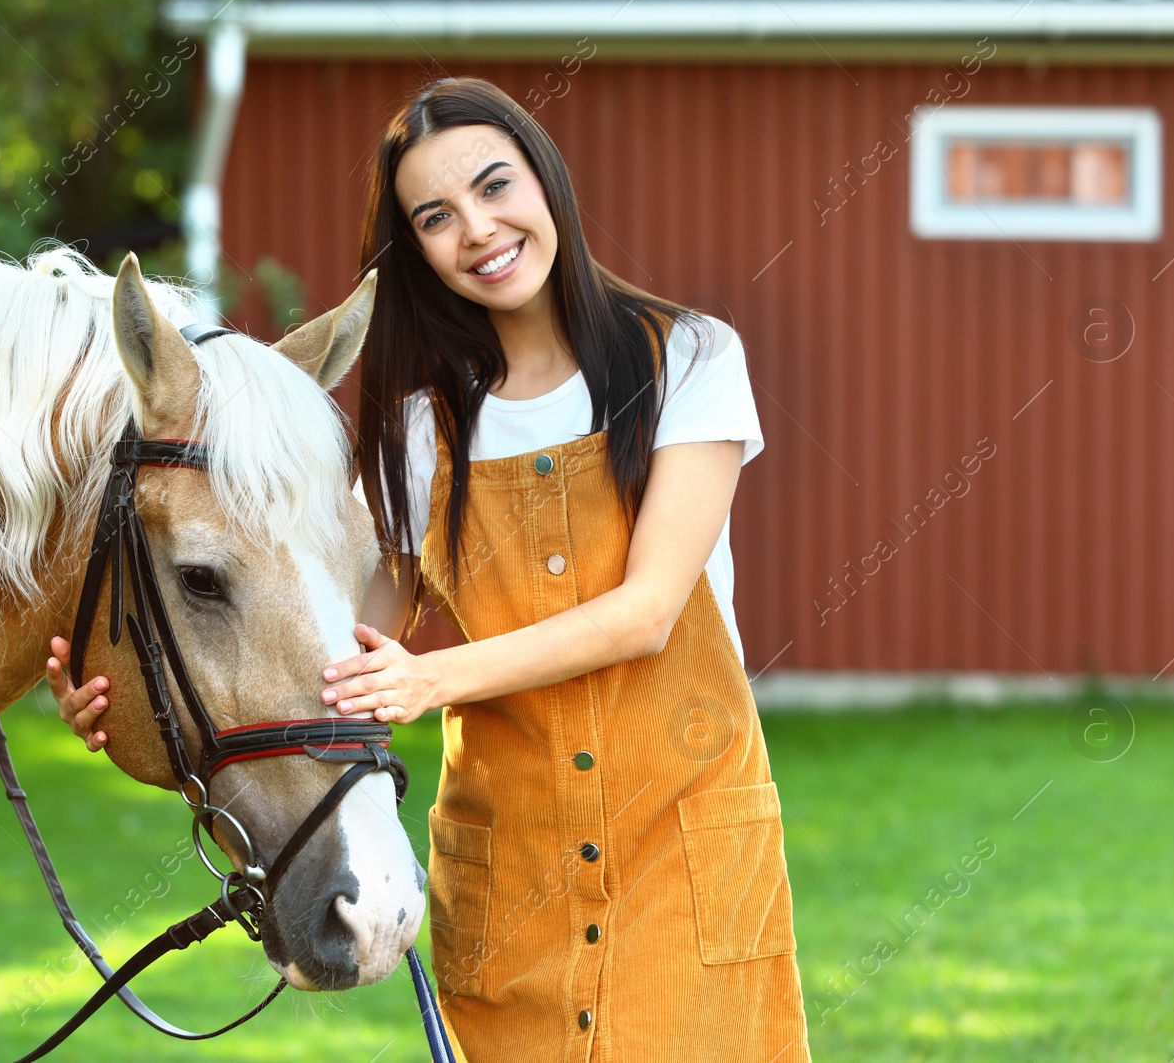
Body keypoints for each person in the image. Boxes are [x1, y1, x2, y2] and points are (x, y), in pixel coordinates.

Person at [47, 77, 811, 1062]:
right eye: (436, 218)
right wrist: (146, 710)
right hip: (510, 868)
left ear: (547, 182)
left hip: (681, 845)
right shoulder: (416, 432)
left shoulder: (690, 361)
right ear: (416, 251)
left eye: (496, 187)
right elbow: (345, 655)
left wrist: (434, 677)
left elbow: (648, 612)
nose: (478, 229)